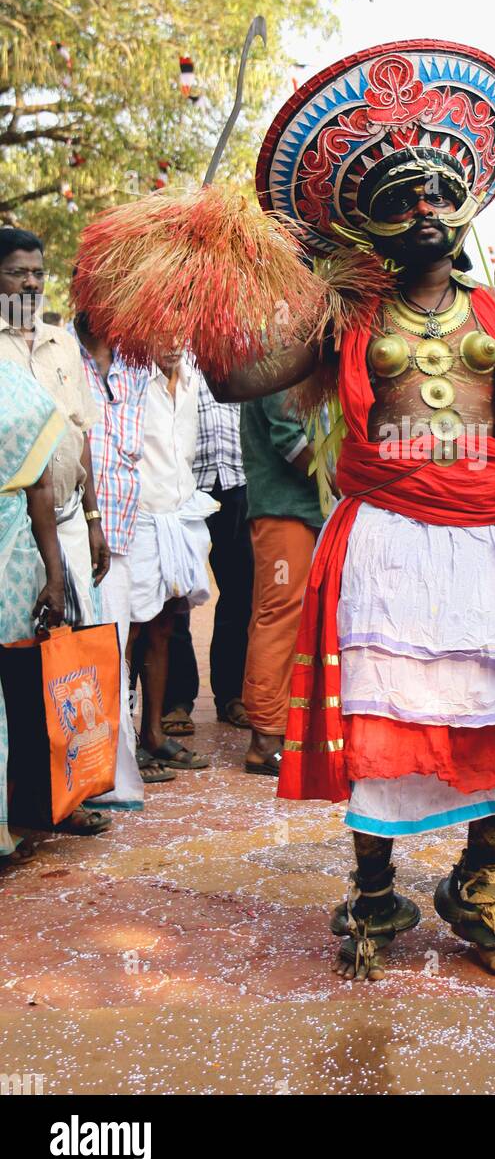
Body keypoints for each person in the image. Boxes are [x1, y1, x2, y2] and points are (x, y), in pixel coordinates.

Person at [78, 40, 495, 981]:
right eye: (399, 196)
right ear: (369, 220)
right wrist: (212, 267)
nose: (423, 205)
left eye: (437, 189)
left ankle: (481, 881)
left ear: (466, 199)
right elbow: (231, 379)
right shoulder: (339, 313)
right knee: (384, 720)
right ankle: (377, 893)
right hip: (385, 542)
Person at [0, 230, 109, 628]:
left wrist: (93, 518)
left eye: (38, 273)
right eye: (17, 273)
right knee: (21, 652)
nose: (31, 282)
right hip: (13, 534)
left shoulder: (62, 345)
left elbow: (81, 433)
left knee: (79, 654)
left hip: (71, 522)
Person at [73, 308, 153, 797]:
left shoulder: (136, 363)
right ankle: (63, 785)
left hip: (120, 531)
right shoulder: (58, 351)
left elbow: (132, 449)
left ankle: (107, 781)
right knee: (66, 655)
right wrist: (87, 519)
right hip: (63, 523)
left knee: (110, 653)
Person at [127, 350, 214, 774]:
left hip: (179, 512)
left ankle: (153, 734)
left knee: (164, 625)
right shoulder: (130, 372)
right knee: (130, 630)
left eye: (177, 326)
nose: (167, 339)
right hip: (137, 515)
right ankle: (122, 744)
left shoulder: (192, 370)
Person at [161, 383, 254, 737]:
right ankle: (176, 701)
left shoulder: (233, 351)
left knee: (240, 592)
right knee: (177, 594)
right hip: (184, 487)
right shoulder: (170, 350)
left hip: (237, 482)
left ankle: (232, 695)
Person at [0, 362, 66, 854]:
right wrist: (54, 575)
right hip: (13, 559)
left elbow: (42, 489)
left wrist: (56, 575)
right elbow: (39, 488)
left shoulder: (16, 384)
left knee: (17, 693)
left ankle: (12, 820)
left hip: (13, 561)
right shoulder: (17, 388)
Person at [240, 392, 324, 776]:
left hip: (309, 508)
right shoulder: (277, 352)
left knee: (299, 616)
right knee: (280, 615)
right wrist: (334, 478)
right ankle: (265, 737)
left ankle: (286, 726)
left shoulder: (300, 349)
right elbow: (288, 436)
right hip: (284, 508)